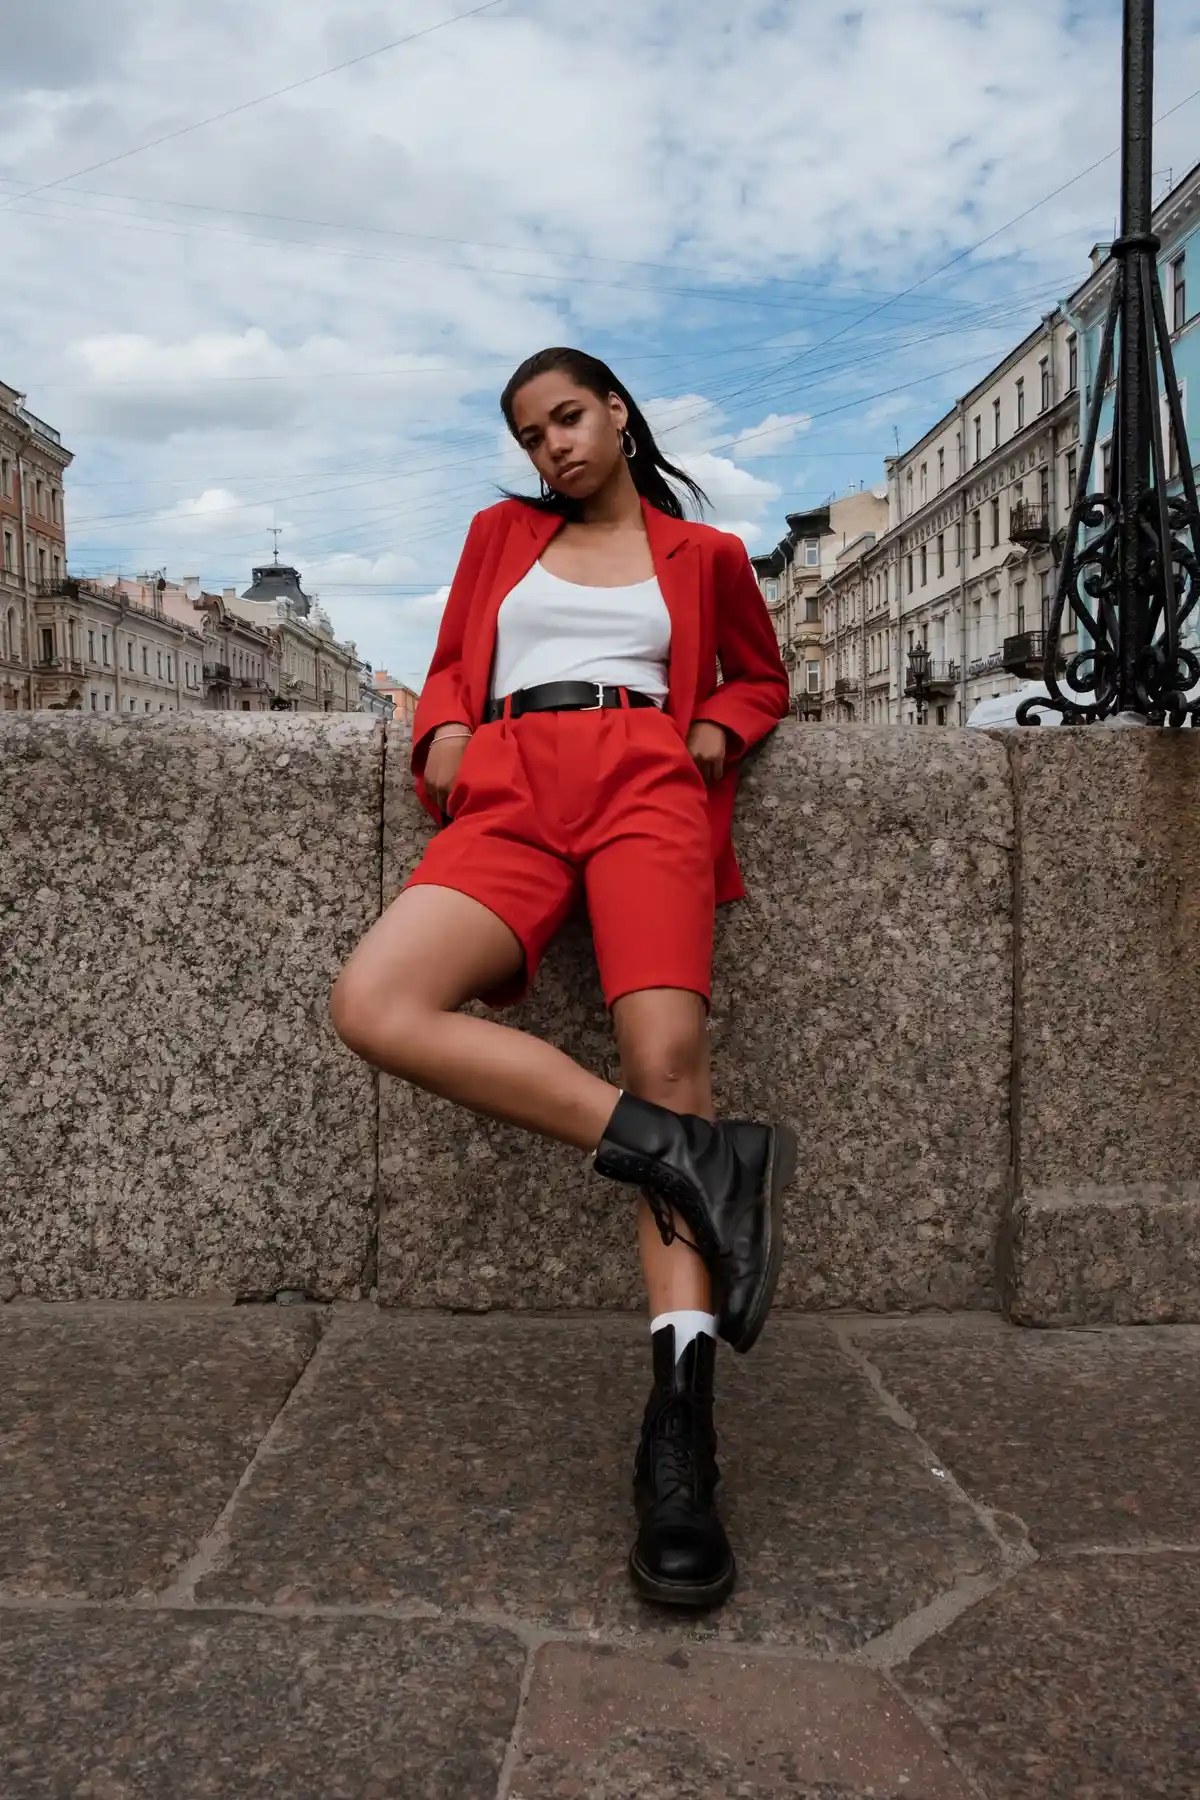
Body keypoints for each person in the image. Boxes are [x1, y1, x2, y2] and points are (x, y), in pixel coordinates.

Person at [330, 346, 796, 1610]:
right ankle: (695, 1157)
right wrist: (437, 728)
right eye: (534, 435)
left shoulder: (707, 557)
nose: (556, 449)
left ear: (621, 410)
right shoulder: (497, 536)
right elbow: (445, 664)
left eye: (571, 419)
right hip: (512, 790)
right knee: (375, 1002)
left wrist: (716, 728)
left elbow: (762, 674)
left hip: (647, 781)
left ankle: (681, 1439)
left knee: (670, 1064)